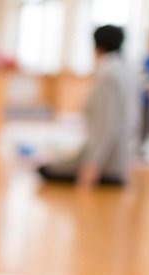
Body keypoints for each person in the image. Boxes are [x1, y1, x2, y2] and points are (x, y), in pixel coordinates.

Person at [38, 25, 137, 190]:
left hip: (107, 164)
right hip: (121, 159)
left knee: (45, 170)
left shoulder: (108, 75)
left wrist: (91, 166)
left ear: (97, 46)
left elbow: (106, 125)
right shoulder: (127, 71)